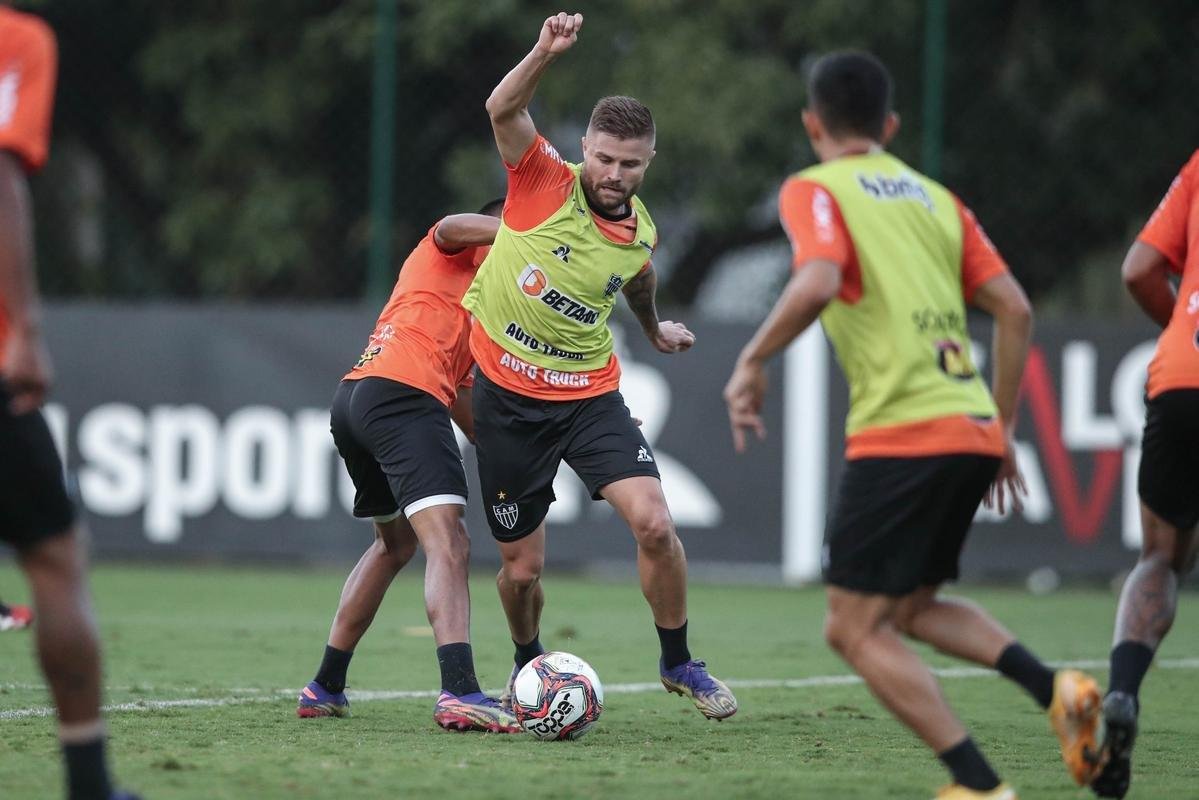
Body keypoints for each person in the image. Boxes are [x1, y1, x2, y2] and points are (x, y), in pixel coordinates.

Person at [723, 51, 1101, 799]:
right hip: (966, 425)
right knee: (912, 608)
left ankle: (979, 784)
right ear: (889, 126)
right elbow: (1015, 309)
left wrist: (751, 359)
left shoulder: (814, 187)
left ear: (811, 124)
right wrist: (999, 427)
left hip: (901, 432)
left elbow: (820, 276)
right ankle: (1056, 690)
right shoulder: (936, 199)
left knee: (851, 629)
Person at [461, 11, 737, 720]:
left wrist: (652, 328)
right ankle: (530, 669)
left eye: (631, 164)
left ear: (648, 161)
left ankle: (679, 663)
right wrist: (544, 52)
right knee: (520, 571)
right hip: (507, 401)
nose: (615, 175)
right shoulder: (540, 179)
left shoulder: (637, 226)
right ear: (584, 147)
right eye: (605, 159)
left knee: (654, 526)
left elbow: (636, 273)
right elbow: (501, 107)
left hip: (589, 396)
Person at [295, 200, 520, 733]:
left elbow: (465, 403)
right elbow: (449, 224)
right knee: (451, 543)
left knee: (394, 545)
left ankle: (325, 685)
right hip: (400, 396)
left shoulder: (483, 309)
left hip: (357, 398)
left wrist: (520, 456)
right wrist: (524, 232)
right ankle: (460, 691)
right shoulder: (450, 250)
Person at [0, 4, 137, 799]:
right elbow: (4, 175)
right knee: (53, 554)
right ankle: (88, 779)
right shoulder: (18, 40)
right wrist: (26, 327)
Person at [1089, 150, 1199, 799]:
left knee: (1157, 556)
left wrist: (1180, 332)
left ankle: (1123, 690)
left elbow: (1137, 270)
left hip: (1182, 374)